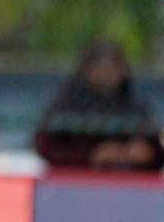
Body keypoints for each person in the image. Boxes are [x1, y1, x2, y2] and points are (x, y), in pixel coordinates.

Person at [34, 38, 164, 171]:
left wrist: (146, 153)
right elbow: (46, 146)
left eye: (114, 66)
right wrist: (92, 155)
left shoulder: (135, 107)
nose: (108, 74)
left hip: (127, 185)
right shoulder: (66, 105)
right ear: (87, 70)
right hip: (75, 184)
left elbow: (155, 148)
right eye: (102, 67)